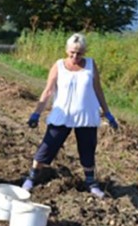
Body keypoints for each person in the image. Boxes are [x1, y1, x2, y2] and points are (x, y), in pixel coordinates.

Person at [22, 33, 118, 198]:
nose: (75, 56)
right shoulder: (58, 65)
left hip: (86, 116)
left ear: (84, 52)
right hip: (62, 115)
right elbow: (48, 90)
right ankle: (32, 177)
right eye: (72, 52)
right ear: (67, 50)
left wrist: (107, 113)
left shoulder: (90, 65)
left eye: (79, 53)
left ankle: (90, 182)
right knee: (48, 146)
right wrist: (36, 113)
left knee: (88, 149)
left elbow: (98, 90)